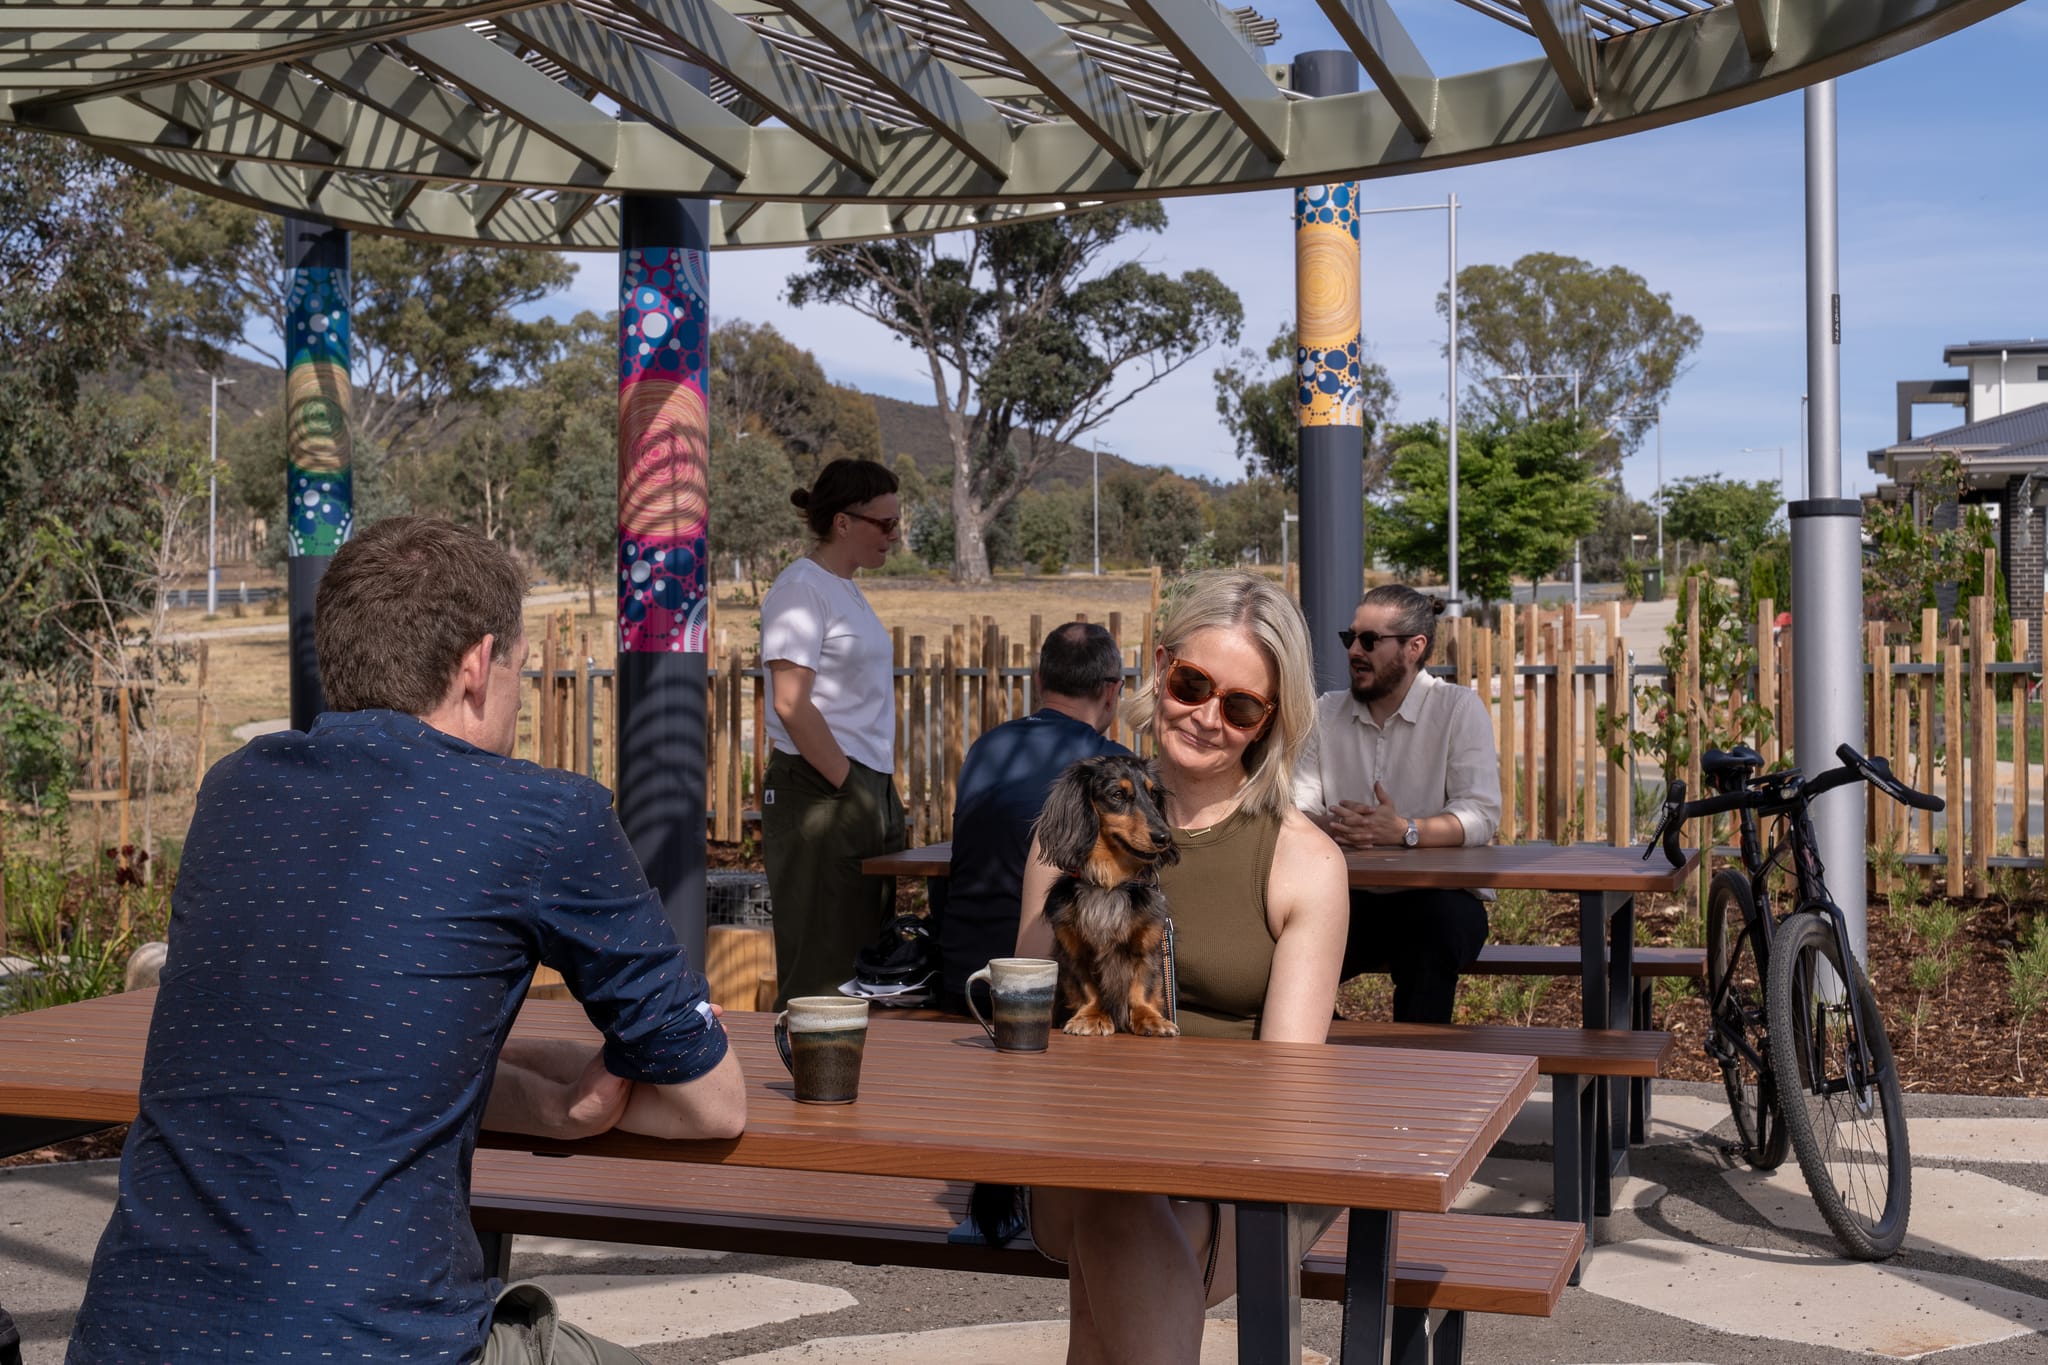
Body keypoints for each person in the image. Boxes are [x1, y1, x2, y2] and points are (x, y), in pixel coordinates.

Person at [65, 517, 746, 1365]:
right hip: (375, 1345)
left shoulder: (236, 793)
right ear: (475, 664)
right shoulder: (540, 814)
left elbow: (340, 1047)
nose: (519, 698)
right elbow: (712, 1101)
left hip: (128, 1337)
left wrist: (535, 1102)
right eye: (518, 673)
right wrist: (569, 1098)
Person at [1015, 570, 1349, 1365]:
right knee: (1115, 1191)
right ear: (1159, 667)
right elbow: (1026, 1019)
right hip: (1080, 1145)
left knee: (1121, 1224)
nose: (1206, 717)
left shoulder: (1303, 861)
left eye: (1239, 706)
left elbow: (1287, 1089)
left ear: (1270, 722)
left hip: (1236, 1168)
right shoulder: (1074, 825)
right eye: (1192, 683)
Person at [1293, 584, 1503, 1024]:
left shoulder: (1458, 708)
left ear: (1415, 647)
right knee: (1276, 943)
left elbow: (1481, 814)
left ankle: (1418, 1077)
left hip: (1436, 899)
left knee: (1435, 932)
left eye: (1369, 641)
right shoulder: (1326, 712)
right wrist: (1337, 829)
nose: (1354, 650)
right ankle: (1323, 1060)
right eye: (1348, 638)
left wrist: (1406, 831)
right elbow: (1296, 809)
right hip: (1345, 899)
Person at [760, 458, 907, 1006]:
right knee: (823, 967)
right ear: (843, 522)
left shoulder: (843, 589)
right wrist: (850, 786)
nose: (894, 536)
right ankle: (807, 1084)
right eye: (884, 524)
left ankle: (850, 1084)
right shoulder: (801, 588)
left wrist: (872, 791)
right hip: (822, 789)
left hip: (856, 786)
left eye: (896, 523)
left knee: (863, 955)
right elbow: (792, 704)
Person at [937, 622, 1130, 1014]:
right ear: (1112, 691)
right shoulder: (1112, 769)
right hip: (1045, 997)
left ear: (1039, 680)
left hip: (960, 977)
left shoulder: (986, 748)